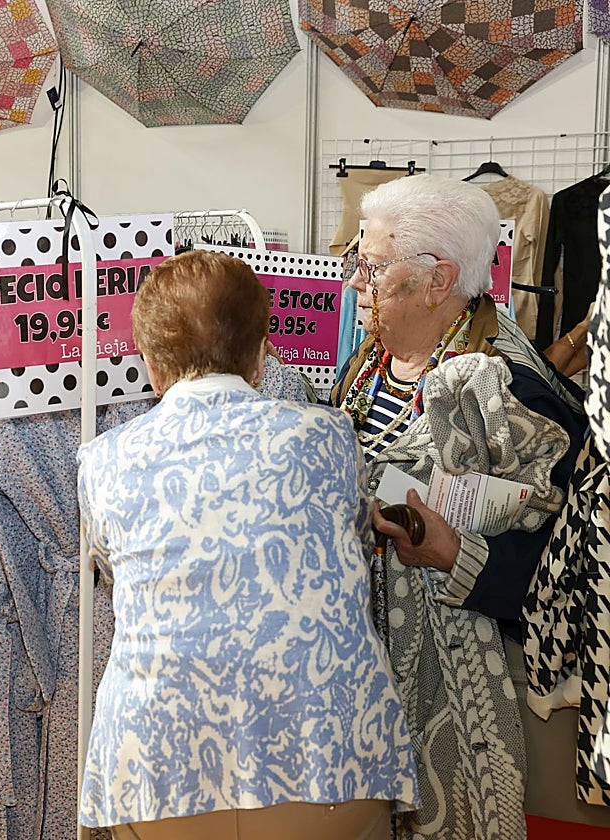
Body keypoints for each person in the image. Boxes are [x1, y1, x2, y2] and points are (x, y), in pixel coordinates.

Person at [77, 250, 418, 840]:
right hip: (325, 754)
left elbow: (113, 570)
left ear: (152, 368)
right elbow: (355, 542)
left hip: (160, 763)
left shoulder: (103, 460)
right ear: (261, 355)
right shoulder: (329, 436)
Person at [333, 175, 586, 840]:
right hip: (366, 689)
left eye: (372, 266)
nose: (354, 281)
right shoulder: (367, 364)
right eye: (356, 262)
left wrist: (454, 553)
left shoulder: (512, 393)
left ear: (437, 279)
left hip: (458, 705)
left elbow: (566, 572)